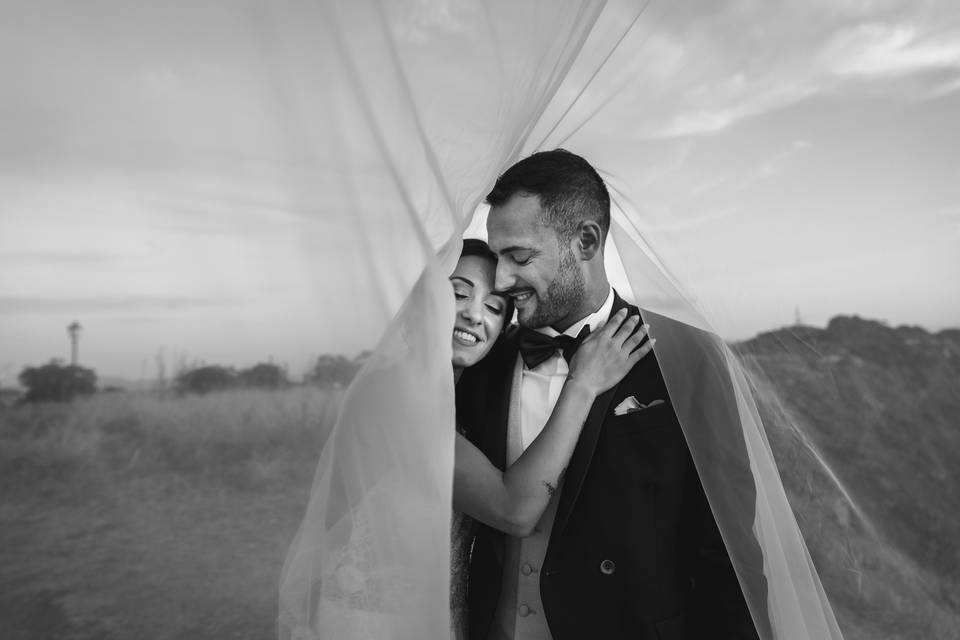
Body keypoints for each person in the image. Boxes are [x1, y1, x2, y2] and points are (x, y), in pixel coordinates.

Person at [456, 149, 770, 640]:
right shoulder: (484, 361)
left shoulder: (687, 357)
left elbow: (726, 551)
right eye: (497, 258)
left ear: (585, 240)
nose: (500, 280)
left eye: (519, 257)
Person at [448, 238, 653, 639]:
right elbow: (512, 509)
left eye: (494, 307)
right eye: (458, 293)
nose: (475, 315)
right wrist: (582, 384)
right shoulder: (402, 399)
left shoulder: (459, 387)